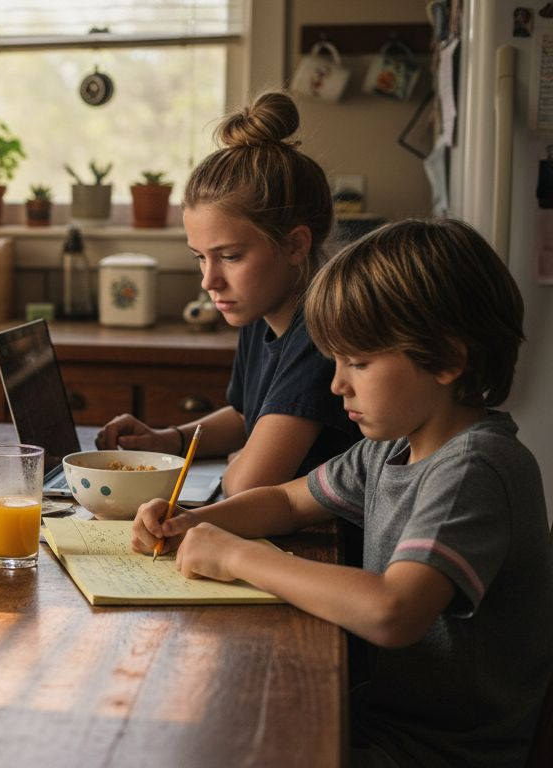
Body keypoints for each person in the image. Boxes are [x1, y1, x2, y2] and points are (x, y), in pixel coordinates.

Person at [132, 219, 552, 767]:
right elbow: (287, 501)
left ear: (447, 360)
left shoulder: (473, 469)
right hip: (383, 720)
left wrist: (237, 555)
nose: (336, 385)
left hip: (440, 752)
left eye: (358, 362)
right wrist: (192, 521)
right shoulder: (392, 447)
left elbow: (393, 610)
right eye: (334, 361)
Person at [95, 92, 360, 495]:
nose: (209, 281)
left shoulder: (320, 332)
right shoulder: (262, 305)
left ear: (295, 245)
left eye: (230, 257)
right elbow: (245, 416)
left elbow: (246, 483)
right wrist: (169, 440)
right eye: (200, 257)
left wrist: (243, 459)